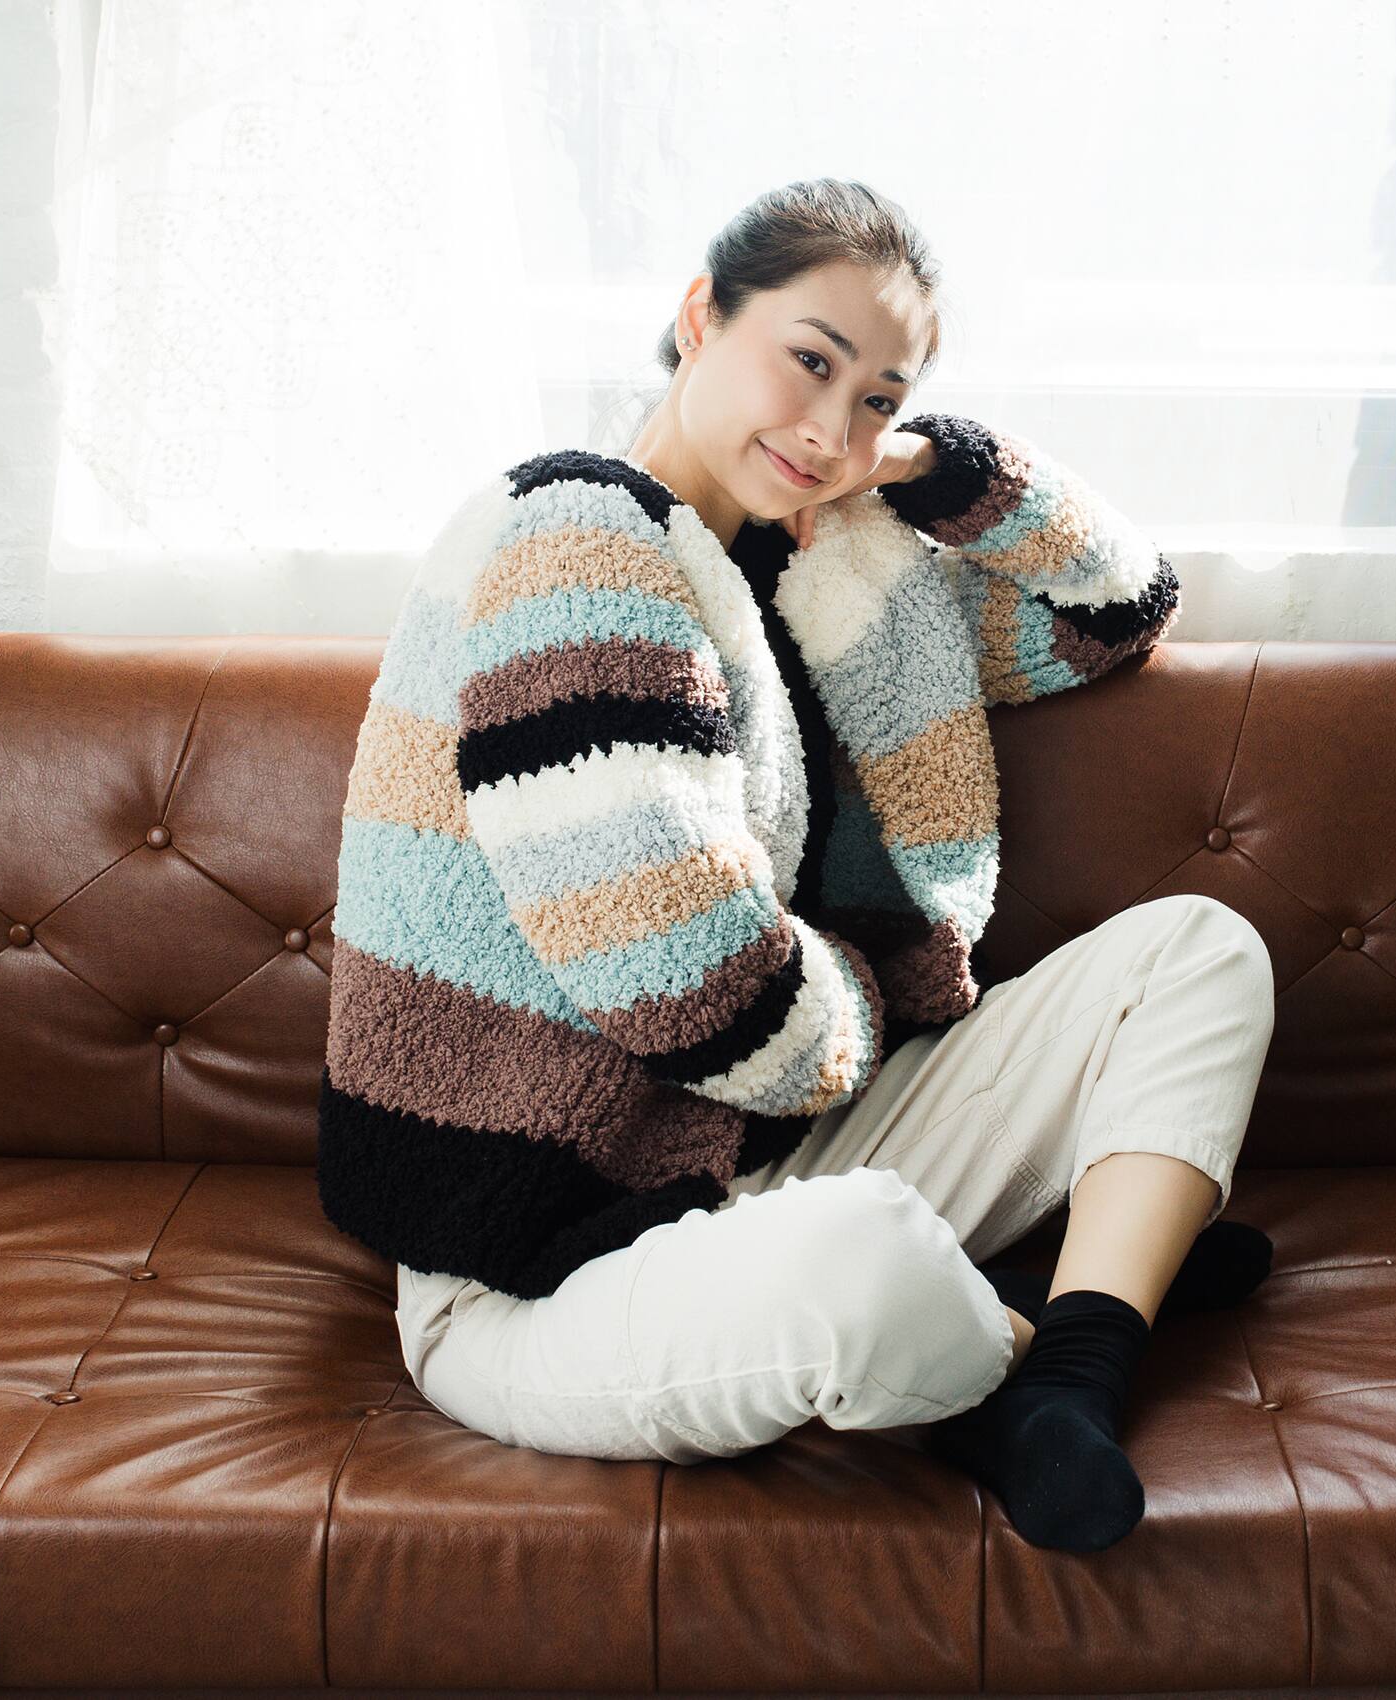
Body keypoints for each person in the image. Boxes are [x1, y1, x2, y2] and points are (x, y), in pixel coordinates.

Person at [319, 178, 1276, 1556]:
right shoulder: (573, 539)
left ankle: (1071, 1366)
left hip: (770, 1150)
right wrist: (886, 1001)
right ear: (701, 316)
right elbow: (692, 989)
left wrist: (924, 468)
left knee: (1197, 951)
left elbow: (1120, 605)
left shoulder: (843, 587)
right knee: (860, 1260)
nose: (833, 428)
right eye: (810, 361)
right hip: (533, 1266)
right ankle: (1068, 1296)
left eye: (879, 396)